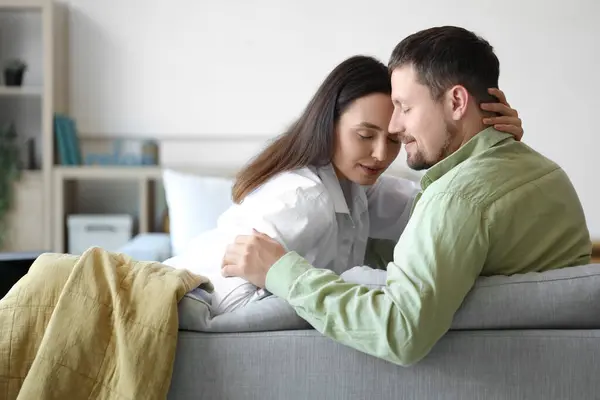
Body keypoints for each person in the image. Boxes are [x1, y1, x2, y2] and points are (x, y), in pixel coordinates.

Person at [220, 26, 592, 366]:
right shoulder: (549, 175)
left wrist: (287, 274)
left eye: (405, 108)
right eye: (369, 133)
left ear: (457, 102)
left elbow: (401, 331)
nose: (395, 128)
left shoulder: (456, 200)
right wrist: (499, 145)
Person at [165, 54, 523, 314]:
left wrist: (492, 144)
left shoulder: (359, 189)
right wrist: (350, 281)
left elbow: (444, 209)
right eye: (365, 135)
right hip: (187, 301)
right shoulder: (306, 200)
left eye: (395, 140)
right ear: (329, 124)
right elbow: (229, 306)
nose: (381, 155)